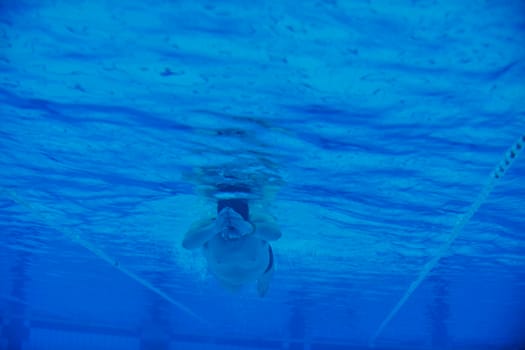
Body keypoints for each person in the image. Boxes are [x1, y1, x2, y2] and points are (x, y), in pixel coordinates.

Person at [182, 192, 281, 297]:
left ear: (247, 219)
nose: (232, 234)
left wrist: (249, 228)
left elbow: (276, 235)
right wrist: (214, 229)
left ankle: (263, 283)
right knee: (232, 291)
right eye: (228, 228)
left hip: (263, 271)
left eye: (237, 226)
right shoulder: (208, 226)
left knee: (263, 288)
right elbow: (187, 244)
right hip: (224, 278)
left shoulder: (257, 222)